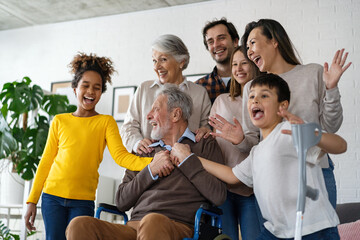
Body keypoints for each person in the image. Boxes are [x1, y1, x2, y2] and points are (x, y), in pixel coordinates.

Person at [173, 73, 347, 239]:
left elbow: (341, 145)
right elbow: (232, 176)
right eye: (251, 96)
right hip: (278, 232)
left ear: (282, 106)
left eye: (264, 96)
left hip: (313, 229)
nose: (255, 99)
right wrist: (191, 158)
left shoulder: (290, 132)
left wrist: (312, 134)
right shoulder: (258, 151)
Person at [66, 86, 227, 240]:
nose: (148, 116)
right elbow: (122, 201)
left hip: (177, 226)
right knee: (79, 225)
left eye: (155, 109)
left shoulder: (204, 144)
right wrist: (150, 171)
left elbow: (219, 196)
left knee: (152, 222)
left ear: (176, 114)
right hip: (133, 228)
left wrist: (188, 161)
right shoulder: (144, 150)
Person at [24, 53, 153, 240]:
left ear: (101, 92)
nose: (91, 92)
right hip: (51, 198)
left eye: (97, 88)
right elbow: (46, 162)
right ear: (75, 88)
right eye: (85, 86)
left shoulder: (105, 122)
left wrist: (151, 162)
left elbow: (121, 157)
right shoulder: (60, 121)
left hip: (82, 202)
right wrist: (31, 201)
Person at [236, 18, 351, 208]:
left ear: (274, 41)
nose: (248, 51)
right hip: (274, 173)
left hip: (316, 169)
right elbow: (253, 141)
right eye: (246, 46)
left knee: (323, 234)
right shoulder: (251, 88)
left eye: (253, 43)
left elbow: (330, 127)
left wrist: (331, 89)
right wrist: (239, 139)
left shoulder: (313, 73)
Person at [120, 34, 211, 155]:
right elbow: (128, 127)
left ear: (181, 62)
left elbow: (208, 128)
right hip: (147, 164)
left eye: (163, 59)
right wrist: (137, 143)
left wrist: (206, 130)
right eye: (154, 60)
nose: (157, 67)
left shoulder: (199, 93)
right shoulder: (144, 89)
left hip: (185, 165)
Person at [210, 45, 262, 240]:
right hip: (222, 190)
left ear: (255, 65)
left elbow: (261, 144)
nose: (238, 69)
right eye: (234, 64)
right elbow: (212, 141)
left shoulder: (261, 102)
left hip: (251, 189)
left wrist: (240, 139)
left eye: (244, 63)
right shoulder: (221, 101)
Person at [196, 17, 239, 104]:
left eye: (221, 38)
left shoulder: (251, 80)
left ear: (235, 41)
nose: (216, 45)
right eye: (210, 41)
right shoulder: (199, 87)